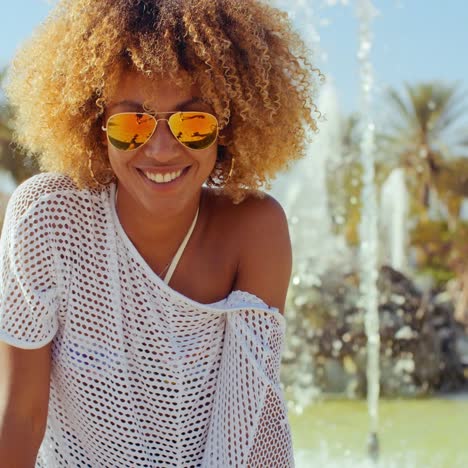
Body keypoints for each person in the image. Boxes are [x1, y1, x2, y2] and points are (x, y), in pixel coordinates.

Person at [0, 0, 321, 466]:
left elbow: (249, 429)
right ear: (96, 126)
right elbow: (21, 417)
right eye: (133, 123)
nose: (162, 149)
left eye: (193, 123)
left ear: (226, 129)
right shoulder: (48, 216)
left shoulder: (255, 230)